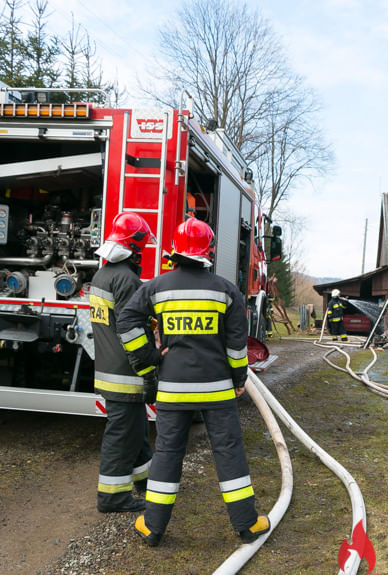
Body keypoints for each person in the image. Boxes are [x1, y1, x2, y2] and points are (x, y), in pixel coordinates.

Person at [116, 218, 270, 547]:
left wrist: (149, 356)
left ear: (175, 251)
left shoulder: (156, 287)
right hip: (217, 390)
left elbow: (126, 320)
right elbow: (236, 346)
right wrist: (239, 378)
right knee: (228, 450)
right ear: (208, 252)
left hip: (172, 389)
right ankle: (246, 524)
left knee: (168, 453)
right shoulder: (226, 291)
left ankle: (153, 527)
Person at [90, 212, 157, 513]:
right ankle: (112, 497)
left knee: (136, 430)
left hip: (109, 368)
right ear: (135, 248)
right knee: (122, 435)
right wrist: (150, 367)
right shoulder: (127, 279)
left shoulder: (103, 275)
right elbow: (131, 331)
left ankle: (146, 481)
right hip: (126, 372)